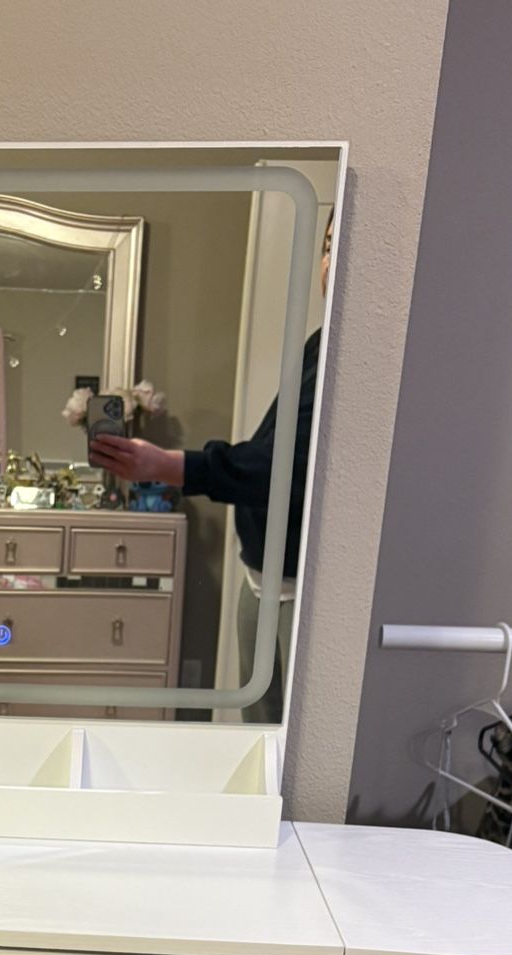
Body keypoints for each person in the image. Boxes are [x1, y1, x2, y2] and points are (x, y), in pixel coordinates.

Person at [90, 212, 334, 720]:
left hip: (304, 589)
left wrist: (171, 464)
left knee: (290, 738)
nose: (330, 263)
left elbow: (286, 469)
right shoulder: (321, 343)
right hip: (262, 577)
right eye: (327, 247)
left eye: (342, 246)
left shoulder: (356, 361)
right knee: (258, 729)